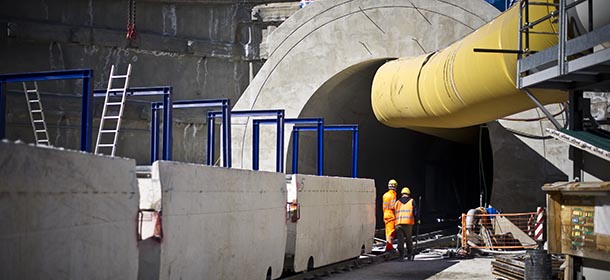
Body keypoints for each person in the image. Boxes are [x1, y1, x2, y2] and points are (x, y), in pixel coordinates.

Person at [394, 187, 418, 261]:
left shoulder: (397, 202)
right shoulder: (412, 201)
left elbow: (395, 212)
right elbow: (415, 213)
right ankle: (409, 255)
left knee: (400, 240)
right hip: (408, 223)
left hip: (398, 223)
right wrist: (417, 220)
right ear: (408, 194)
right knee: (408, 239)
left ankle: (401, 256)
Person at [382, 179, 398, 252]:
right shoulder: (393, 195)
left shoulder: (385, 195)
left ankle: (389, 246)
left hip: (385, 214)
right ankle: (389, 247)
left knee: (387, 231)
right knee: (391, 231)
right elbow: (393, 206)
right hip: (391, 215)